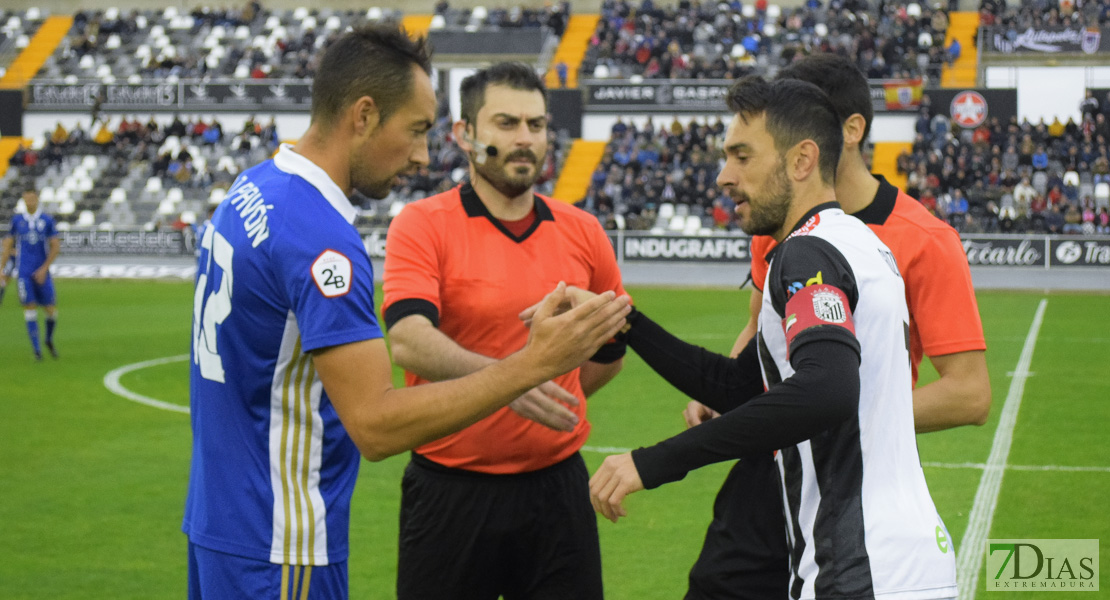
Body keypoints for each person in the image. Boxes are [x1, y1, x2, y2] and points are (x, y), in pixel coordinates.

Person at [183, 29, 629, 600]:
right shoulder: (322, 240)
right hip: (279, 535)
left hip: (222, 517)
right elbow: (375, 423)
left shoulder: (256, 188)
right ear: (364, 116)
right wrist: (529, 367)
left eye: (536, 124)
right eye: (416, 131)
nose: (422, 154)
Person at [586, 75, 959, 599]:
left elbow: (824, 390)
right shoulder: (856, 243)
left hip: (862, 565)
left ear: (801, 161)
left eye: (742, 156)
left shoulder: (806, 254)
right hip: (897, 556)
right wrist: (624, 320)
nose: (723, 176)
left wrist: (655, 462)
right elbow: (742, 386)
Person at [684, 53, 991, 600]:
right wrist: (730, 389)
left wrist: (845, 412)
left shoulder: (926, 239)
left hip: (850, 483)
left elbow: (970, 395)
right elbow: (759, 333)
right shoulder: (772, 225)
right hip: (770, 467)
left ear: (850, 130)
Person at [381, 62, 628, 600]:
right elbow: (408, 339)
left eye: (536, 125)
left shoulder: (584, 231)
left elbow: (612, 346)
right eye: (507, 123)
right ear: (465, 135)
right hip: (449, 491)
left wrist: (554, 396)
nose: (525, 139)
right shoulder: (422, 225)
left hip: (557, 492)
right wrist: (512, 382)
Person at [1, 189, 60, 360]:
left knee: (50, 310)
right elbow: (7, 244)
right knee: (30, 308)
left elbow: (55, 246)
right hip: (24, 273)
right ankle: (37, 350)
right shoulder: (17, 220)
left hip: (42, 272)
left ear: (37, 199)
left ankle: (48, 339)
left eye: (32, 199)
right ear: (23, 200)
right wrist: (2, 268)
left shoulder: (47, 220)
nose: (29, 202)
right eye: (26, 199)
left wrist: (44, 269)